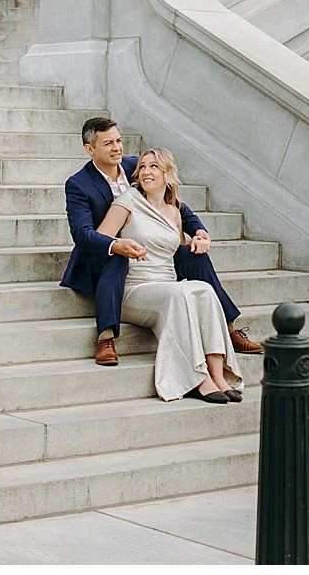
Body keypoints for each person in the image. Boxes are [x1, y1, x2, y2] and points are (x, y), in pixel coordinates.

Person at [59, 117, 262, 365]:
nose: (117, 148)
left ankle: (229, 327)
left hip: (148, 250)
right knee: (118, 256)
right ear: (90, 149)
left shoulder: (137, 167)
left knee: (193, 256)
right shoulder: (78, 184)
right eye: (108, 143)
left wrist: (199, 231)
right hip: (102, 256)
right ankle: (106, 336)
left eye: (119, 141)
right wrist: (115, 245)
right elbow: (82, 235)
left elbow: (176, 204)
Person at [96, 148, 242, 403]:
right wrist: (122, 245)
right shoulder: (127, 201)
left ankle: (218, 376)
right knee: (181, 293)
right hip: (136, 289)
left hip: (166, 284)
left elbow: (173, 248)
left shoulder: (174, 211)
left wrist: (198, 240)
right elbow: (100, 240)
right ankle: (199, 378)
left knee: (204, 290)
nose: (146, 172)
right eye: (142, 167)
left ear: (167, 174)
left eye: (153, 167)